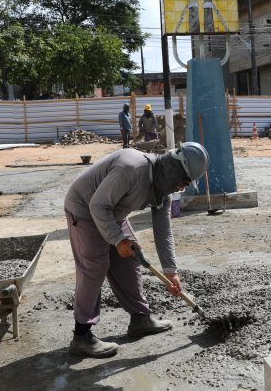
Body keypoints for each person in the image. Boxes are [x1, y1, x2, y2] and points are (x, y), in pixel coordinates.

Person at [63, 142, 209, 357]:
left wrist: (171, 271)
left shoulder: (162, 189)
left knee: (131, 259)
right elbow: (98, 205)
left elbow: (163, 232)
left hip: (112, 212)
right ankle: (81, 336)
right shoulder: (132, 168)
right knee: (95, 266)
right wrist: (118, 239)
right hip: (85, 209)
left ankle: (140, 318)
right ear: (173, 170)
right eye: (184, 182)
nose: (181, 188)